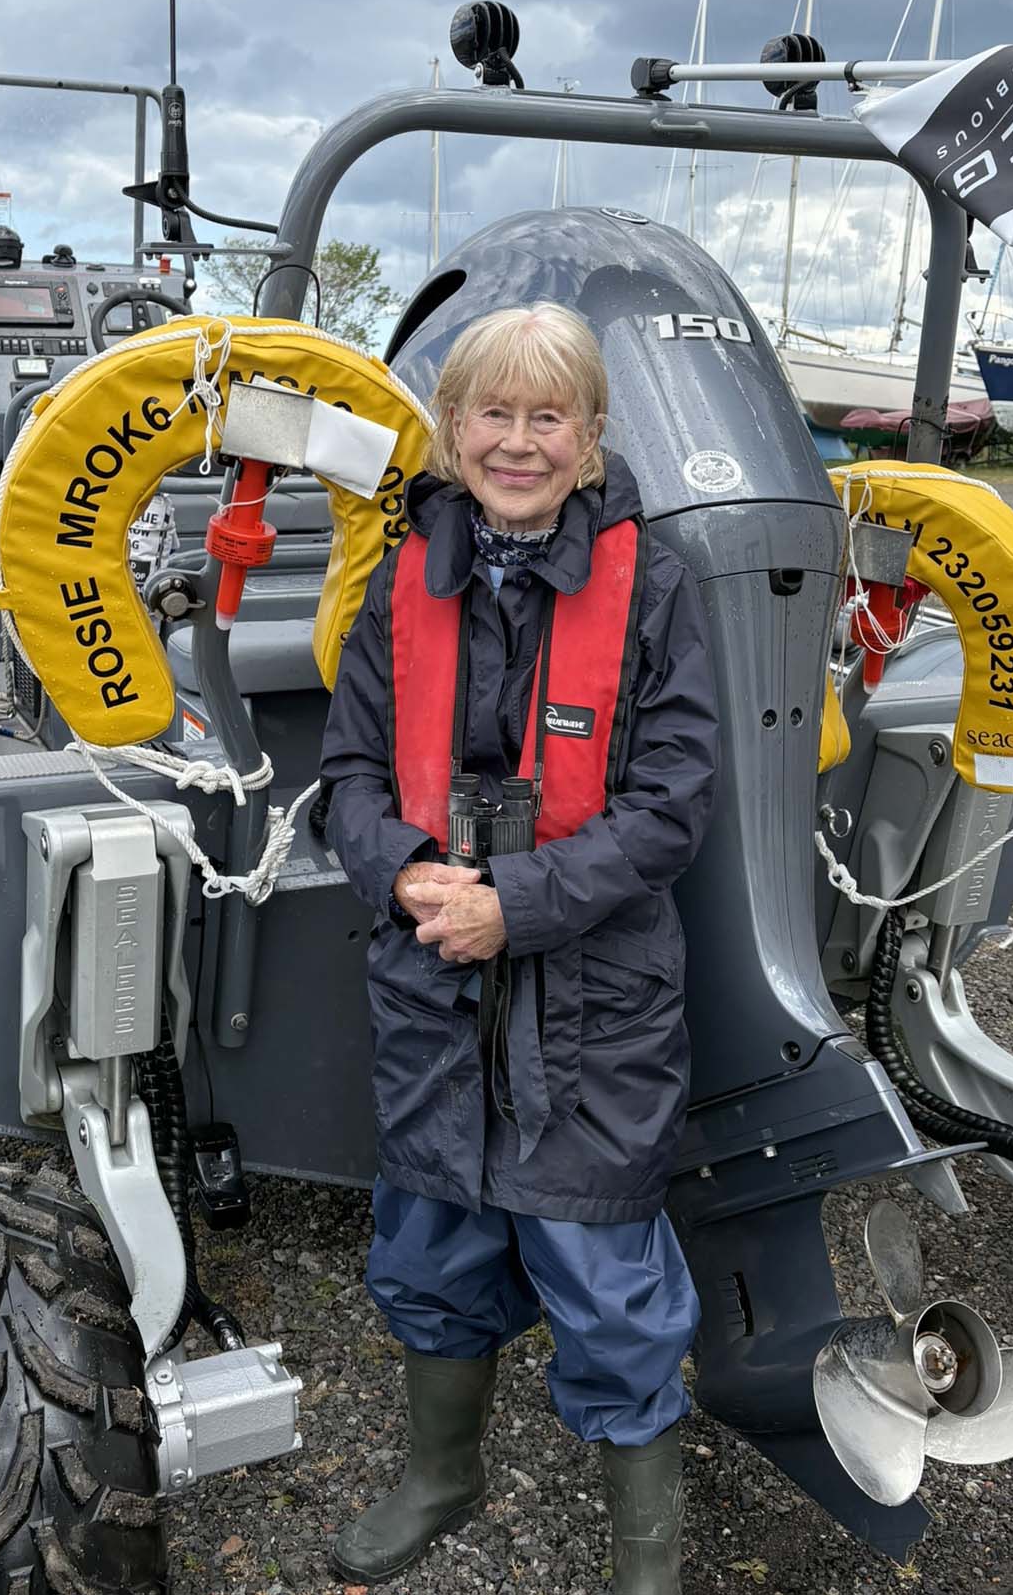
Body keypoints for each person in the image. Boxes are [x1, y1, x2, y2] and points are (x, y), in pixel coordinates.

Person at [318, 303, 720, 1594]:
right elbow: (349, 779)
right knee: (429, 1248)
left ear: (593, 439)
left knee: (606, 1275)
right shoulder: (402, 579)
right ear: (453, 430)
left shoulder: (653, 585)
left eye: (551, 417)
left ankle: (645, 1560)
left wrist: (523, 902)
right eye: (494, 412)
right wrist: (404, 874)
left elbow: (672, 807)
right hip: (432, 981)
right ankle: (445, 1473)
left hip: (595, 999)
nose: (519, 441)